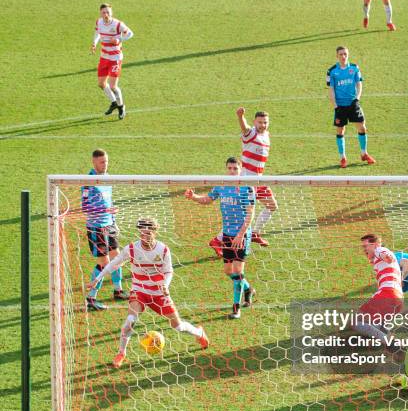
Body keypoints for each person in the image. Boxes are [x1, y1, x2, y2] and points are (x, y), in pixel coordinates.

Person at [87, 217, 209, 369]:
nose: (144, 237)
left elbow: (169, 271)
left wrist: (165, 285)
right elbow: (113, 264)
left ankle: (199, 333)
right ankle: (121, 353)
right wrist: (97, 279)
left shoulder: (163, 249)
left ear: (154, 232)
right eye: (142, 233)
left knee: (177, 326)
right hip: (139, 291)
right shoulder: (131, 249)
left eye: (148, 234)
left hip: (159, 292)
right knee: (129, 322)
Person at [186, 157, 256, 319]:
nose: (232, 171)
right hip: (227, 234)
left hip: (241, 235)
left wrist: (241, 234)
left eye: (235, 169)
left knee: (238, 271)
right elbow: (208, 199)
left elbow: (250, 213)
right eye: (229, 168)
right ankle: (248, 288)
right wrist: (194, 197)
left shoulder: (247, 188)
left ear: (241, 168)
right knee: (228, 271)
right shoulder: (222, 185)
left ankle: (236, 308)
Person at [208, 108, 277, 256]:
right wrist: (240, 116)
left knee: (272, 206)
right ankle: (217, 240)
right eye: (260, 122)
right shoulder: (250, 133)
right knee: (243, 214)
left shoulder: (266, 135)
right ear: (254, 122)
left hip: (258, 179)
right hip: (246, 180)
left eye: (265, 122)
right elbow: (245, 128)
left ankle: (255, 233)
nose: (262, 125)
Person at [82, 148, 129, 311]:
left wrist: (112, 217)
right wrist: (105, 212)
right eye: (102, 162)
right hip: (96, 228)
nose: (105, 164)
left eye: (107, 161)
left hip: (109, 225)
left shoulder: (108, 178)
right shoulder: (88, 181)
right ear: (94, 162)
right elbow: (85, 207)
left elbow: (107, 202)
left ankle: (118, 290)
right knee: (104, 263)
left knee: (118, 257)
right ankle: (91, 298)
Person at [327, 46, 375, 169]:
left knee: (362, 128)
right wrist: (335, 106)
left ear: (348, 54)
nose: (343, 56)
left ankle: (364, 153)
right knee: (340, 131)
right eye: (341, 54)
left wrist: (357, 99)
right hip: (340, 106)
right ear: (337, 56)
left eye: (345, 54)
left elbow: (359, 84)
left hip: (353, 103)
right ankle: (343, 157)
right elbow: (331, 90)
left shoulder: (354, 68)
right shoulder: (332, 71)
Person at [91, 3, 133, 120]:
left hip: (115, 58)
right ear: (100, 13)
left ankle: (121, 107)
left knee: (113, 86)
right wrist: (94, 43)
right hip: (104, 56)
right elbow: (97, 32)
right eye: (104, 12)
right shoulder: (98, 22)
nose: (106, 14)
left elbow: (130, 33)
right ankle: (114, 102)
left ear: (111, 13)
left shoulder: (117, 24)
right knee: (101, 84)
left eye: (108, 12)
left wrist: (119, 38)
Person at [356, 234, 403, 335]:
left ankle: (391, 344)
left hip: (387, 294)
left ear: (376, 244)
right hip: (398, 298)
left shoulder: (379, 250)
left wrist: (386, 256)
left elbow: (383, 253)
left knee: (356, 321)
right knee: (374, 324)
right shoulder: (379, 261)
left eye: (365, 246)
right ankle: (394, 343)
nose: (364, 250)